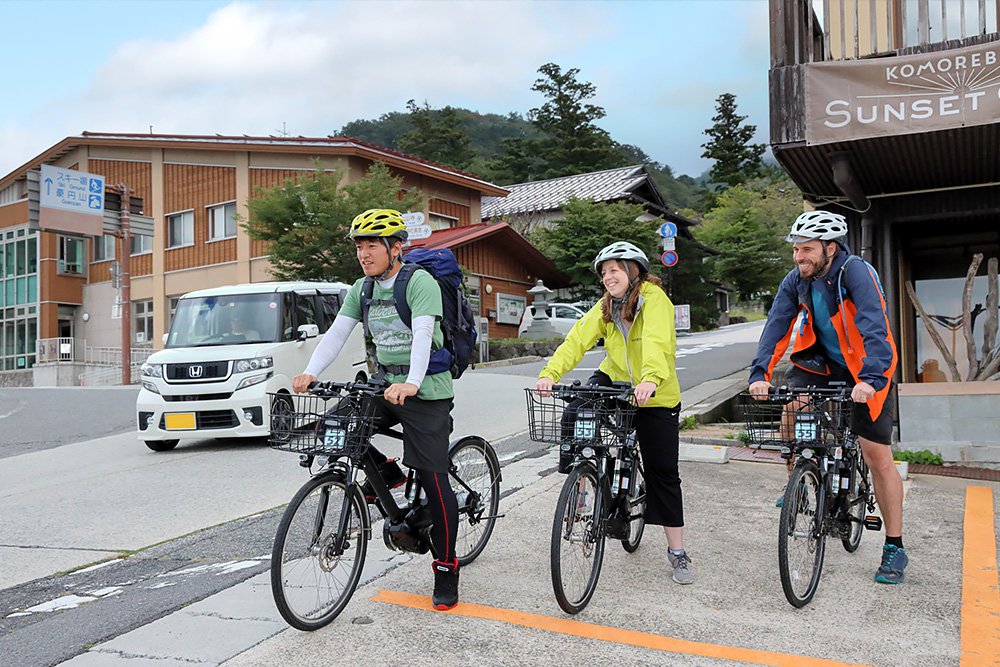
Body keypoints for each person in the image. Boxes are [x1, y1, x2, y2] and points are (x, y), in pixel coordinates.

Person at [291, 208, 461, 610]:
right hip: (384, 384)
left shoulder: (419, 282)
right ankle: (386, 471)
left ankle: (447, 566)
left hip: (427, 389)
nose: (364, 254)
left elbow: (422, 335)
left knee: (435, 481)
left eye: (372, 245)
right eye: (359, 246)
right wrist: (310, 371)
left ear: (395, 248)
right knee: (333, 426)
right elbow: (337, 333)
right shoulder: (362, 289)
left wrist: (413, 382)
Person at [748, 210, 908, 585]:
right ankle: (801, 485)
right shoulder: (796, 280)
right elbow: (776, 325)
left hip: (867, 366)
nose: (798, 257)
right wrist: (760, 374)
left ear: (830, 248)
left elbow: (875, 326)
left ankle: (895, 547)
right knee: (792, 409)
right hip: (819, 363)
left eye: (806, 249)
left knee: (876, 454)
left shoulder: (856, 273)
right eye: (795, 249)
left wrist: (869, 379)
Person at [533, 241, 694, 585]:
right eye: (604, 272)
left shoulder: (654, 299)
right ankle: (581, 481)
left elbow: (656, 342)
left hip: (656, 395)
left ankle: (677, 551)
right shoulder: (606, 305)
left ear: (633, 271)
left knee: (662, 472)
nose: (608, 277)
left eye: (615, 269)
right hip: (615, 380)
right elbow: (577, 339)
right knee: (577, 409)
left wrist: (650, 379)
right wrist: (550, 374)